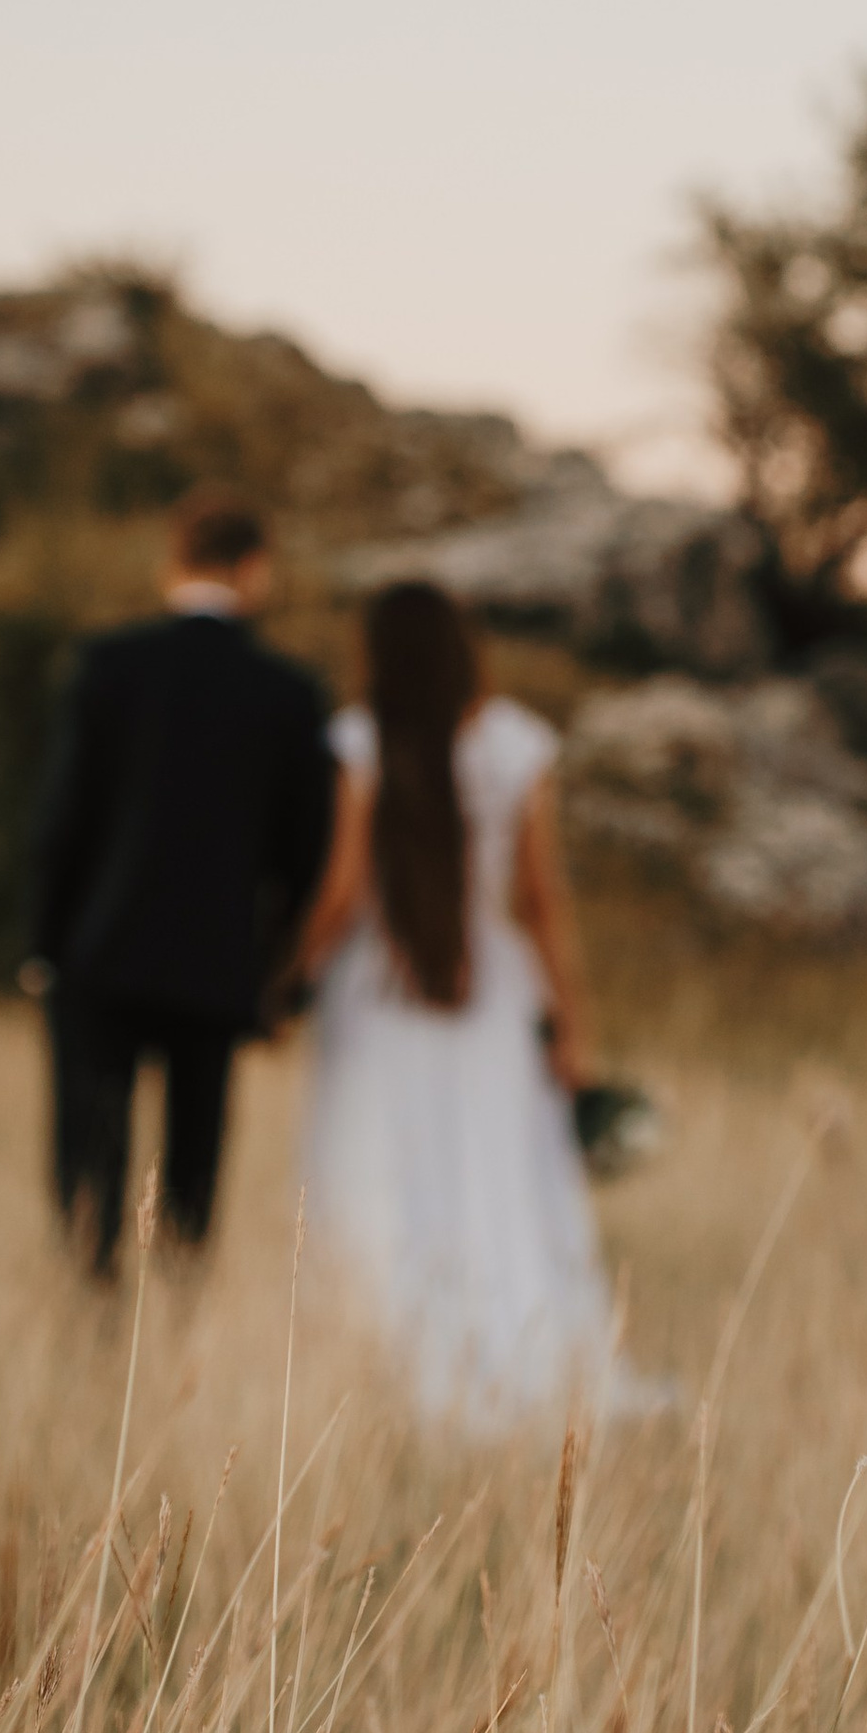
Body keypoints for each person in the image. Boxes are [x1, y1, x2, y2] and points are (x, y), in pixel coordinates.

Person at [294, 579, 622, 1427]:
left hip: (379, 992)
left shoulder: (362, 739)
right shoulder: (518, 743)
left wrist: (287, 972)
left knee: (381, 1172)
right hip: (492, 992)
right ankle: (523, 1354)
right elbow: (543, 901)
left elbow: (344, 891)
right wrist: (571, 1024)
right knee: (498, 1173)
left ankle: (389, 1366)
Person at [27, 487, 335, 1272]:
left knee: (90, 1145)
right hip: (217, 958)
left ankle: (92, 1304)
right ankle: (180, 1303)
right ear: (254, 569)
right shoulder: (288, 693)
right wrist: (281, 976)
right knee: (195, 1154)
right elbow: (307, 851)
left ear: (175, 563)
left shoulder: (108, 665)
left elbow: (63, 819)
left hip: (101, 947)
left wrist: (42, 943)